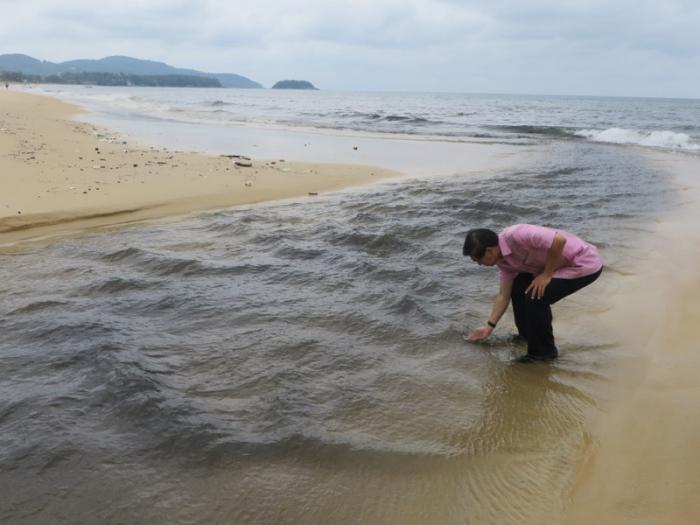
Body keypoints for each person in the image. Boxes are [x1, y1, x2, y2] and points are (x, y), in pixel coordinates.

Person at [463, 224, 603, 362]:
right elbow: (503, 296)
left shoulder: (517, 234)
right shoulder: (504, 263)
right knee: (518, 287)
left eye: (477, 260)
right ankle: (527, 336)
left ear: (489, 251)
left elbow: (559, 239)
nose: (479, 264)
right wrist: (489, 327)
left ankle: (544, 353)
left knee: (535, 296)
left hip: (583, 262)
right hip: (558, 266)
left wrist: (546, 275)